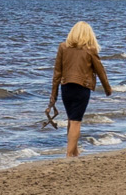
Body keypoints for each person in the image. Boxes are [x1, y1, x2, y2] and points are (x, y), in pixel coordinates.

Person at [47, 21, 113, 159]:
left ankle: (75, 151)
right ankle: (69, 154)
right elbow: (100, 71)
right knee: (76, 120)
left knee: (71, 119)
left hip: (66, 87)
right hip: (82, 88)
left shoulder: (63, 47)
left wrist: (54, 95)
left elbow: (57, 73)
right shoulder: (90, 50)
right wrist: (107, 88)